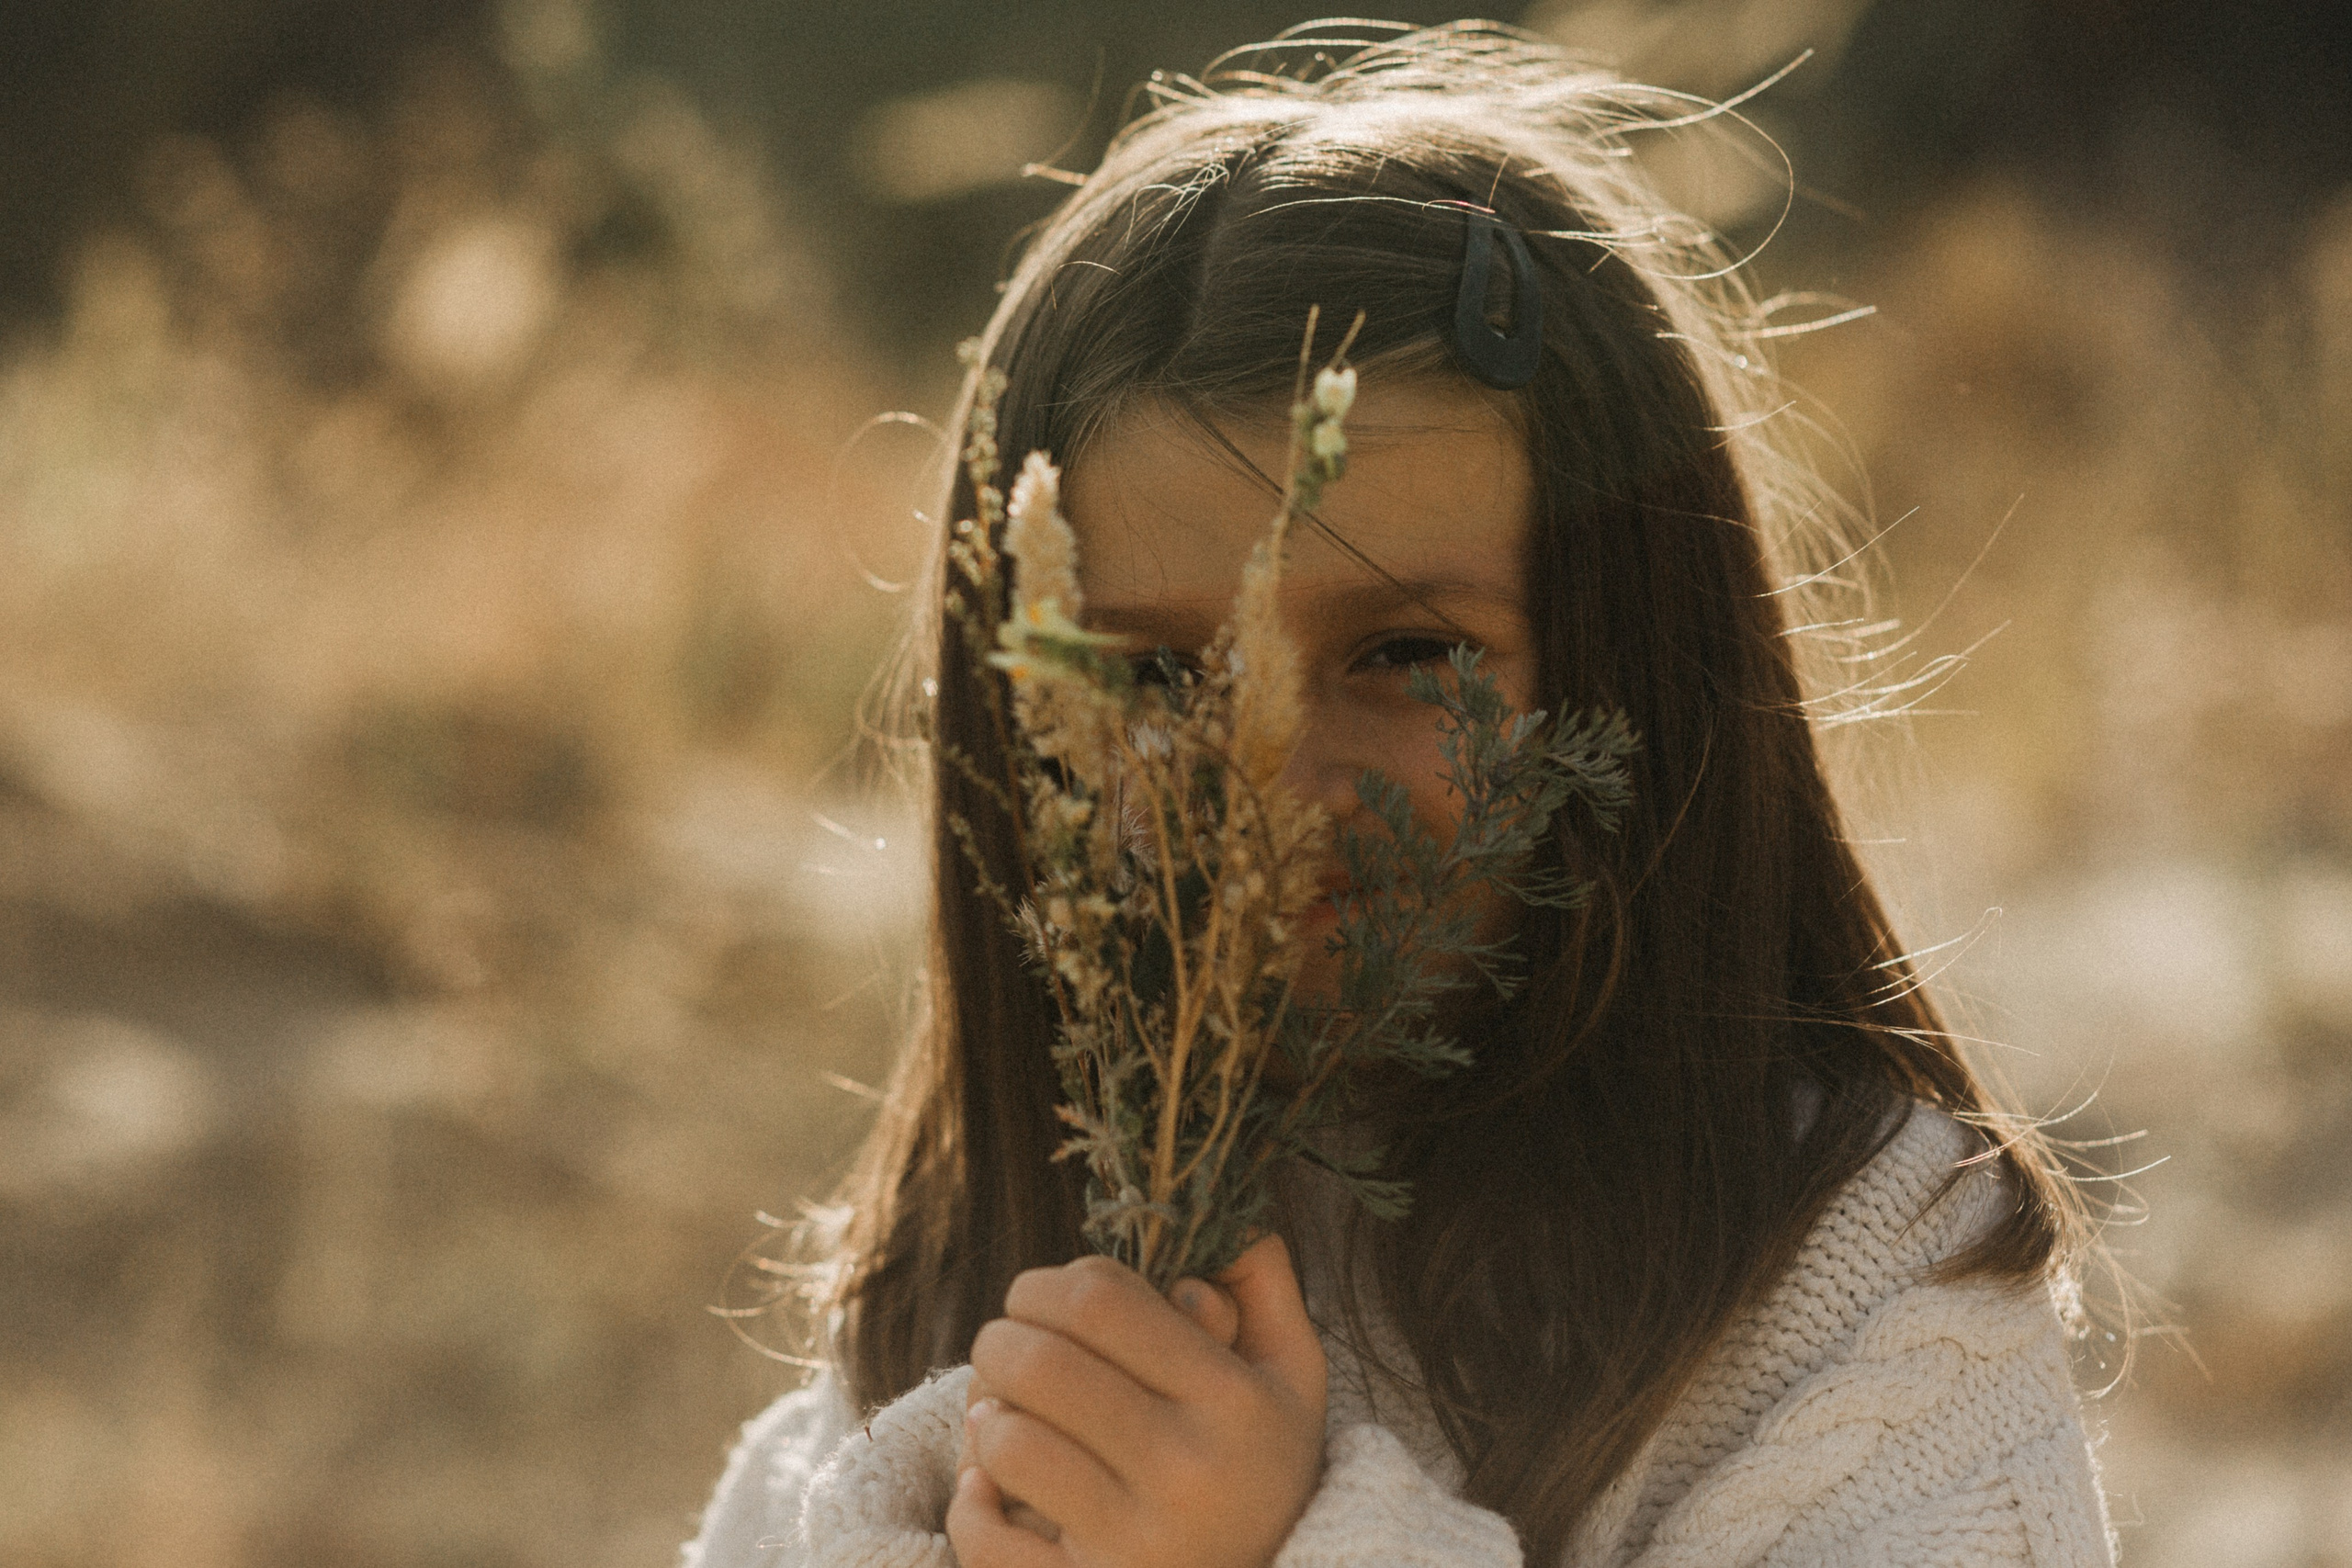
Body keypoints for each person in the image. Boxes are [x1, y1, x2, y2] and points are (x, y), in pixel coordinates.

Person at [686, 21, 2116, 1568]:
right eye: (1158, 679)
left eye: (1404, 652)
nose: (1272, 781)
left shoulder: (1869, 1295)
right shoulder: (955, 1301)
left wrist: (1277, 1548)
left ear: (1628, 670)